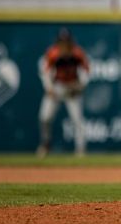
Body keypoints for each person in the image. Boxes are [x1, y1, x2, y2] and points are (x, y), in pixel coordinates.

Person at [36, 27, 90, 157]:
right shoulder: (53, 52)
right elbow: (45, 72)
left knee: (77, 120)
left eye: (66, 41)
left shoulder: (77, 53)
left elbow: (87, 71)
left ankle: (80, 150)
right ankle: (45, 144)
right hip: (57, 87)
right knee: (44, 117)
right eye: (62, 41)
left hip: (72, 87)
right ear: (58, 42)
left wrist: (80, 86)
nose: (64, 44)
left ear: (70, 41)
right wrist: (49, 88)